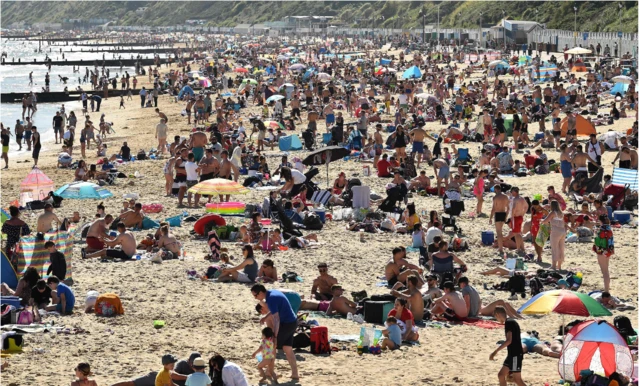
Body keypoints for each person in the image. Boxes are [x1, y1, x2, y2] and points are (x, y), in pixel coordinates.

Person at [250, 285, 299, 381]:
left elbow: (276, 319)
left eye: (255, 296)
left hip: (286, 323)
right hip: (293, 321)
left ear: (260, 293)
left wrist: (275, 336)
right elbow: (275, 311)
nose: (255, 298)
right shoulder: (272, 293)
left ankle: (269, 371)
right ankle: (295, 373)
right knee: (287, 348)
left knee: (272, 346)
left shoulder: (271, 299)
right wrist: (265, 317)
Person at [490, 306, 525, 386]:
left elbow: (509, 340)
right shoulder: (511, 322)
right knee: (501, 375)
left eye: (496, 317)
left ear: (498, 314)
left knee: (517, 380)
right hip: (512, 355)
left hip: (515, 355)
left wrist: (496, 351)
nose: (497, 319)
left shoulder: (509, 323)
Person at [541, 200, 567, 270]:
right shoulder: (561, 213)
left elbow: (546, 220)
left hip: (555, 231)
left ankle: (553, 266)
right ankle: (559, 266)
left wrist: (540, 221)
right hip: (562, 231)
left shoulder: (552, 213)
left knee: (555, 248)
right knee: (561, 248)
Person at [593, 214, 614, 292]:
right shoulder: (609, 228)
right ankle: (607, 287)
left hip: (601, 251)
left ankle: (606, 290)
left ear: (600, 220)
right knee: (606, 270)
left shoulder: (599, 229)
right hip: (608, 251)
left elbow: (596, 241)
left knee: (604, 272)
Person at [507, 187, 528, 255]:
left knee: (516, 234)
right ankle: (522, 248)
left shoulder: (515, 199)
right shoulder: (522, 198)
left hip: (515, 217)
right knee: (519, 233)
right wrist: (523, 213)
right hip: (520, 217)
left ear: (514, 192)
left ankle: (518, 248)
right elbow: (526, 206)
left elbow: (513, 208)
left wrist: (512, 216)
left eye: (512, 191)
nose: (511, 193)